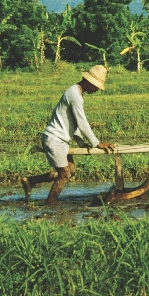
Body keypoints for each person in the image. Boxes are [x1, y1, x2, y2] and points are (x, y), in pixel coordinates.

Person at [21, 65, 115, 205]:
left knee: (71, 170)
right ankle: (49, 207)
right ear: (89, 82)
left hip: (61, 140)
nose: (96, 90)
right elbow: (82, 122)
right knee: (64, 175)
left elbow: (74, 123)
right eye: (96, 86)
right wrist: (97, 143)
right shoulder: (75, 95)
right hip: (54, 139)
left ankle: (31, 181)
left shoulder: (76, 93)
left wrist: (82, 143)